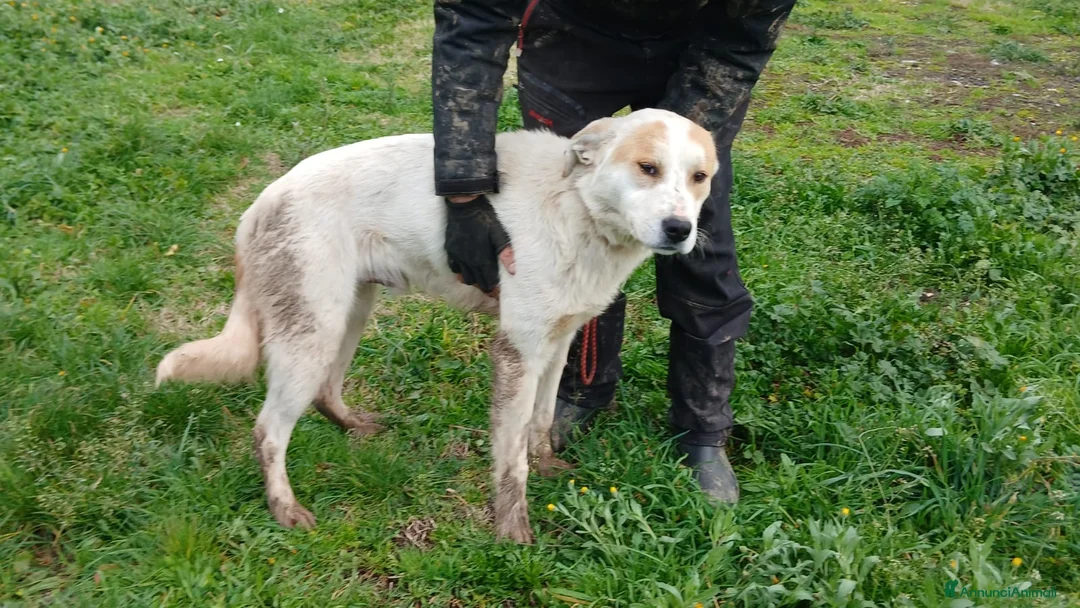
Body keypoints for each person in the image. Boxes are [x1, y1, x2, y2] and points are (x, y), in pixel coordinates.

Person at [432, 0, 795, 502]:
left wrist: (676, 160)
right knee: (576, 228)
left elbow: (743, 39)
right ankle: (583, 389)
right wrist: (464, 190)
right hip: (573, 29)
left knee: (698, 240)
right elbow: (473, 18)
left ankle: (702, 428)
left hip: (706, 40)